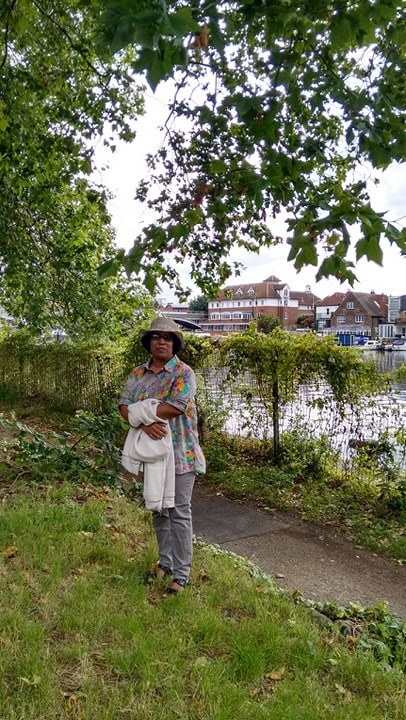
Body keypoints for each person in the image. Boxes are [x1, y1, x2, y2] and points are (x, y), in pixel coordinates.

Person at [118, 317, 205, 594]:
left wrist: (140, 413)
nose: (161, 341)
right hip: (152, 454)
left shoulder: (184, 373)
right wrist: (144, 422)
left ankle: (181, 575)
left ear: (175, 343)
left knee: (178, 511)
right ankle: (165, 564)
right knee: (158, 509)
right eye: (156, 336)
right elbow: (124, 407)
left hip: (181, 454)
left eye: (167, 338)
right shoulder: (137, 374)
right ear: (149, 342)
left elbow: (176, 407)